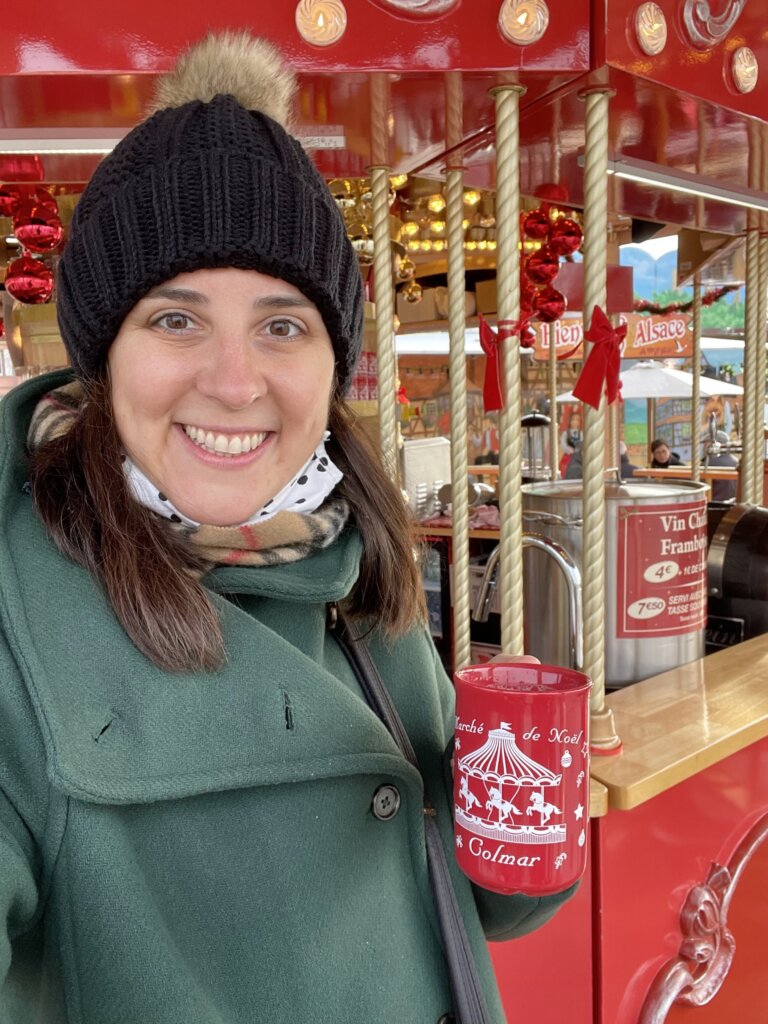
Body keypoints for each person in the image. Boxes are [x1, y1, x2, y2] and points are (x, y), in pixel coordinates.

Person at [0, 33, 575, 1024]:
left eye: (281, 323)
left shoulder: (353, 564)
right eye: (176, 320)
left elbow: (466, 902)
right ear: (103, 354)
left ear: (331, 356)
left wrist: (524, 850)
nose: (234, 381)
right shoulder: (21, 619)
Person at [706, 430, 739, 502]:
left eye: (708, 443)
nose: (705, 446)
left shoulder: (711, 463)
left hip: (714, 505)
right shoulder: (735, 461)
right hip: (732, 502)